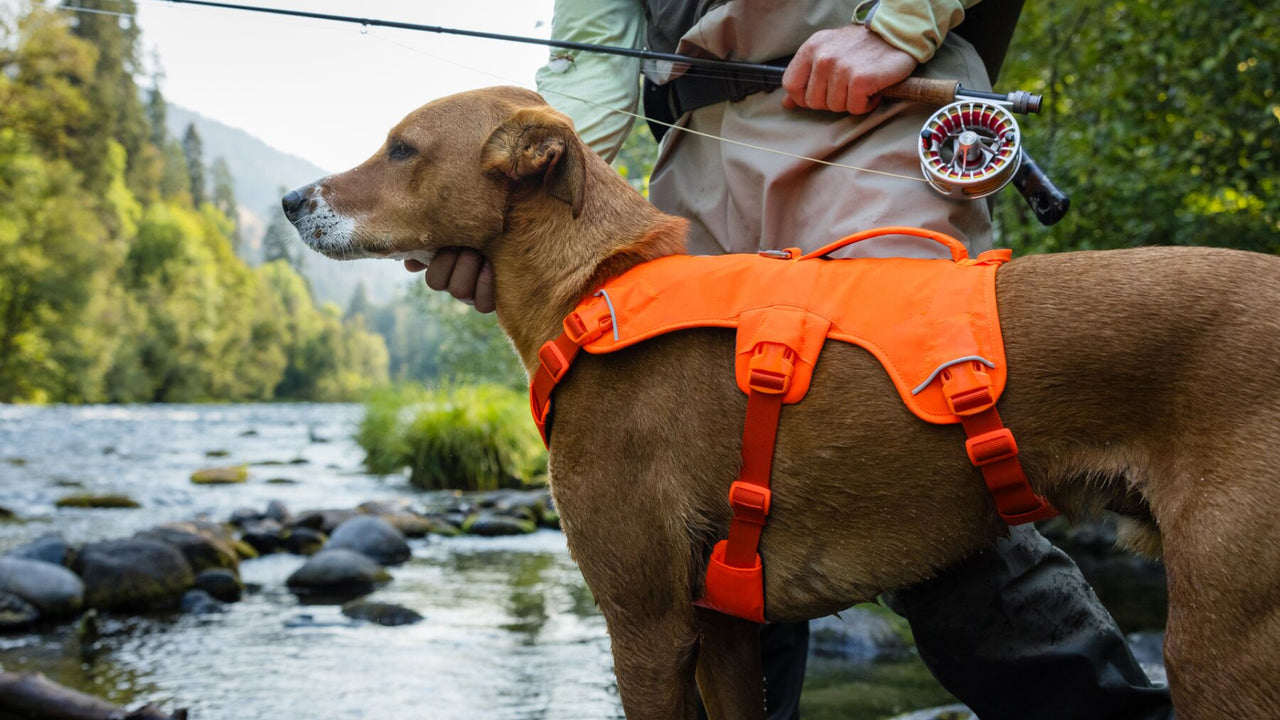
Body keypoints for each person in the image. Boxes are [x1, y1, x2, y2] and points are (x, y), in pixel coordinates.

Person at [407, 2, 1175, 718]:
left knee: (921, 474)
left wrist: (898, 28)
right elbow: (592, 71)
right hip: (697, 171)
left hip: (875, 125)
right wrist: (515, 220)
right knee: (711, 550)